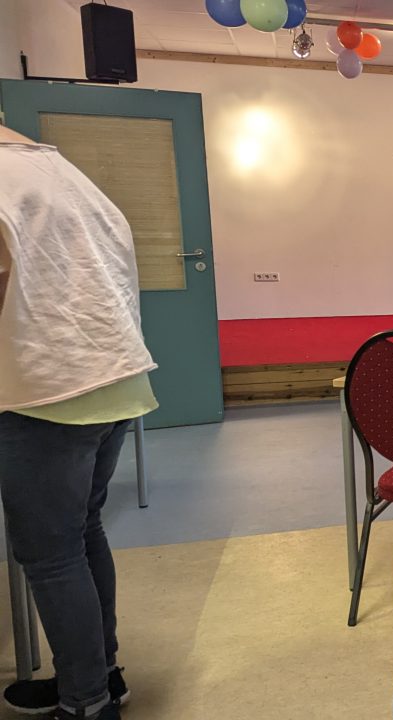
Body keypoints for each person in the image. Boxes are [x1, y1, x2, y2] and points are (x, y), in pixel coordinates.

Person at [0, 125, 152, 719]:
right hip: (114, 373)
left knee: (50, 553)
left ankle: (85, 701)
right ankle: (97, 677)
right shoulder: (59, 169)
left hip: (48, 387)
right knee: (82, 533)